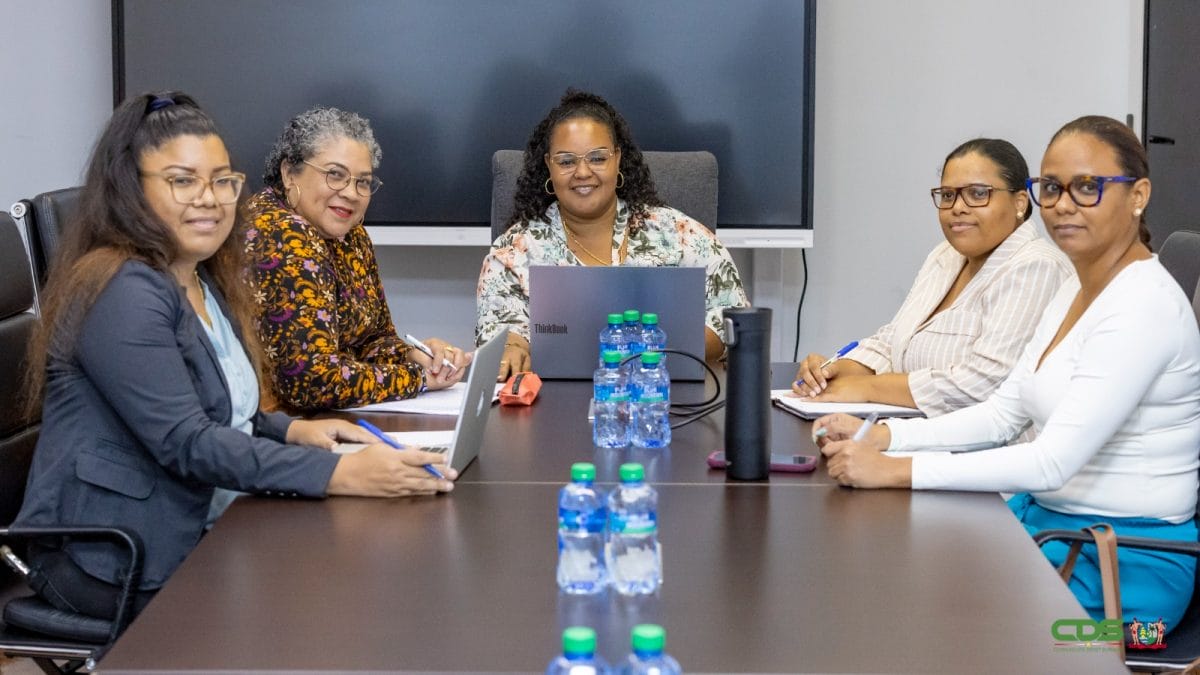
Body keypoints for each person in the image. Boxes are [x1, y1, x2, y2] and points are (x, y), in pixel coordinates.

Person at [14, 92, 456, 622]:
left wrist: (291, 432)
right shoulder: (122, 290)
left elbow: (216, 404)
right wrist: (342, 474)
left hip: (202, 517)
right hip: (118, 555)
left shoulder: (199, 272)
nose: (210, 199)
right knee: (347, 596)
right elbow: (189, 441)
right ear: (131, 188)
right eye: (183, 180)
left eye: (223, 181)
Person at [814, 116, 1200, 630]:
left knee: (942, 628)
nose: (1064, 204)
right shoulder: (1077, 287)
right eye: (1052, 188)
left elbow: (1051, 463)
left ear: (1138, 195)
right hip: (1050, 532)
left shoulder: (1142, 306)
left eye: (1089, 187)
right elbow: (1001, 414)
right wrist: (886, 437)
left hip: (1123, 577)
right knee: (890, 579)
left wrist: (895, 470)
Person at [476, 89, 749, 380]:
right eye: (566, 161)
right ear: (549, 166)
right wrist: (512, 350)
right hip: (548, 409)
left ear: (617, 159)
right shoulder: (513, 251)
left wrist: (651, 349)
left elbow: (732, 320)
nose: (582, 172)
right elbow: (502, 335)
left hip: (665, 403)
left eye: (597, 158)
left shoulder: (677, 234)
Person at [794, 139, 1071, 416]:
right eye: (948, 195)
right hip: (922, 437)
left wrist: (868, 387)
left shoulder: (1037, 267)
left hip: (996, 452)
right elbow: (894, 340)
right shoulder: (945, 256)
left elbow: (984, 384)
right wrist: (838, 369)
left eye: (977, 194)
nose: (957, 207)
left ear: (1020, 202)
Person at [244, 107, 471, 412]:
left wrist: (414, 355)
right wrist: (418, 378)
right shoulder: (283, 231)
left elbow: (373, 339)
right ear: (289, 173)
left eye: (363, 182)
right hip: (276, 428)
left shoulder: (351, 234)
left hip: (331, 416)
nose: (351, 193)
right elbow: (314, 381)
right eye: (335, 175)